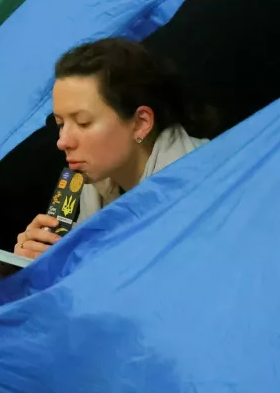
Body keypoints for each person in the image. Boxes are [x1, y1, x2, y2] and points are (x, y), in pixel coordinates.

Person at [14, 37, 209, 260]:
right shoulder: (96, 182)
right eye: (60, 124)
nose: (62, 141)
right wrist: (44, 256)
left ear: (141, 123)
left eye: (83, 122)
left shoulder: (198, 190)